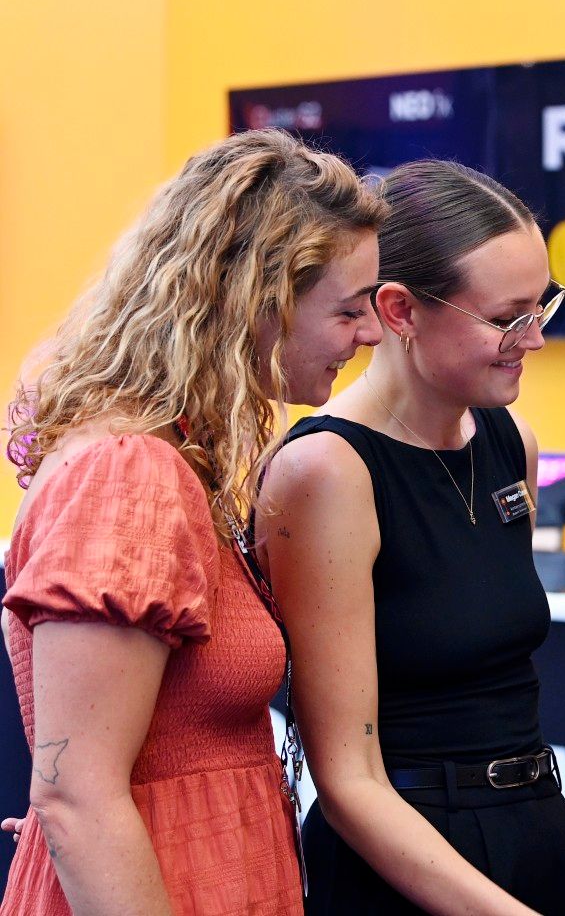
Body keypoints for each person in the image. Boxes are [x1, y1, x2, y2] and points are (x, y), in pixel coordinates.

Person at [1, 127, 387, 914]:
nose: (372, 334)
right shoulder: (130, 473)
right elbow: (77, 799)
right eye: (349, 310)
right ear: (254, 303)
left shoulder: (171, 460)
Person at [260, 160, 565, 915]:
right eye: (507, 317)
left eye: (544, 305)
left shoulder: (514, 443)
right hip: (408, 863)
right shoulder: (327, 472)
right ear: (400, 310)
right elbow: (348, 780)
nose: (534, 339)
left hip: (539, 829)